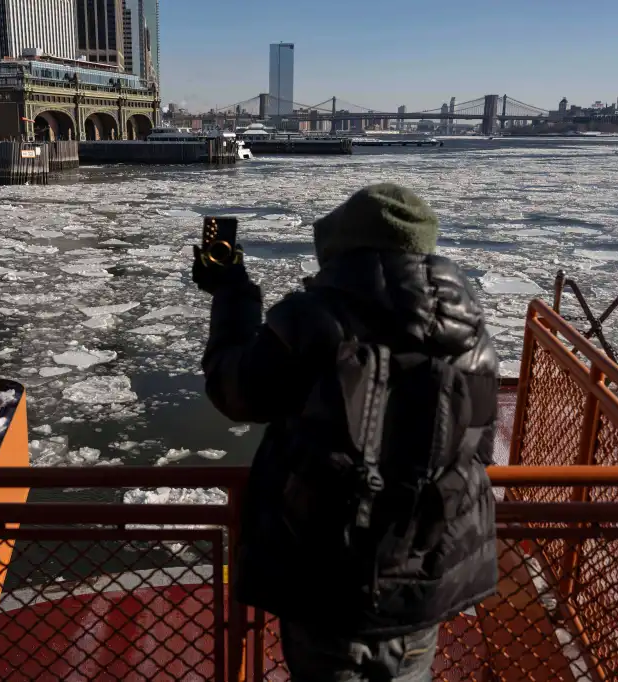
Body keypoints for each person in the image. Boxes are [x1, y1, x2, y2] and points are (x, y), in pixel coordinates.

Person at [192, 184, 499, 682]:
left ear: (342, 246)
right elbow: (477, 442)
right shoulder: (470, 328)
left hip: (325, 581)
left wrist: (233, 294)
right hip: (421, 580)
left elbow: (236, 392)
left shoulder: (313, 317)